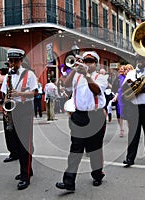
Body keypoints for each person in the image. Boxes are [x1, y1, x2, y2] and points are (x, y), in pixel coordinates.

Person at [56, 51, 108, 191]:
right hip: (79, 116)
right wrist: (73, 70)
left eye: (90, 61)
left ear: (96, 64)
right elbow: (66, 85)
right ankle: (69, 182)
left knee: (95, 149)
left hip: (95, 116)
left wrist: (86, 75)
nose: (87, 63)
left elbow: (96, 90)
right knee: (75, 150)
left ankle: (97, 175)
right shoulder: (77, 77)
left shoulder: (100, 77)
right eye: (85, 61)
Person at [0, 48, 37, 190]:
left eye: (16, 61)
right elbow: (4, 93)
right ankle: (28, 169)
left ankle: (25, 176)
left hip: (25, 109)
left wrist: (19, 93)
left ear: (21, 61)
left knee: (24, 144)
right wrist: (5, 106)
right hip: (12, 109)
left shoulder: (29, 74)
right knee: (16, 142)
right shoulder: (8, 76)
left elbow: (35, 93)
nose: (13, 63)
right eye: (11, 61)